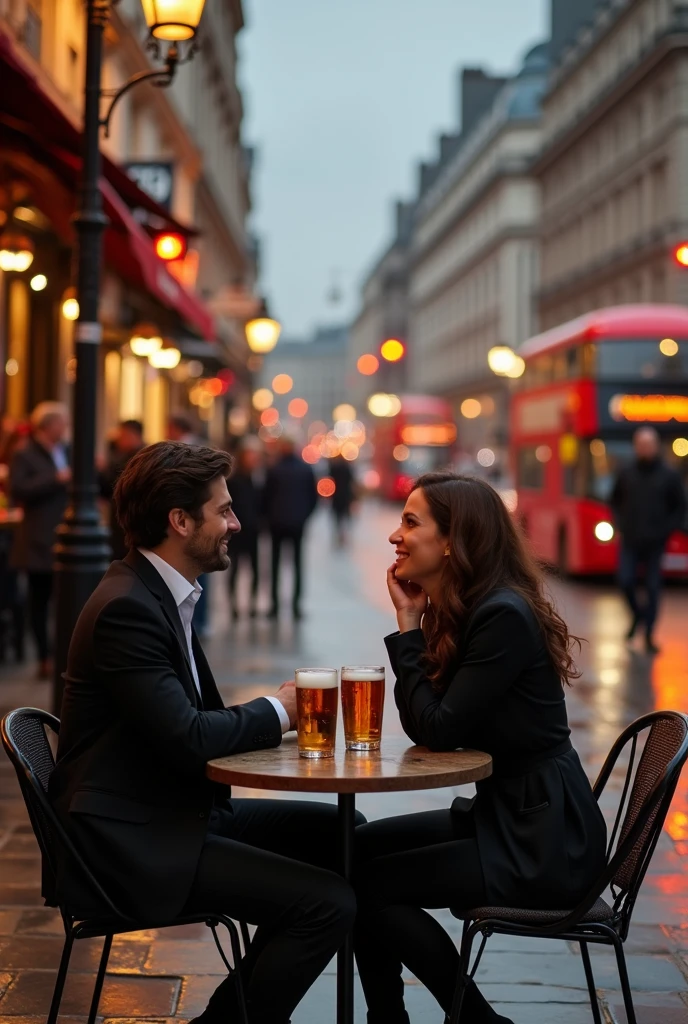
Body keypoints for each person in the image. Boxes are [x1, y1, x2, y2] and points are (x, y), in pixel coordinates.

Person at [49, 441, 358, 1024]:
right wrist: (281, 711)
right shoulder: (127, 608)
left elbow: (180, 730)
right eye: (224, 511)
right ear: (180, 521)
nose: (237, 524)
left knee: (344, 833)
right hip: (131, 842)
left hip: (170, 813)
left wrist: (268, 716)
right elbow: (189, 738)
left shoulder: (159, 592)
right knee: (327, 902)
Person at [354, 472, 607, 1024]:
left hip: (543, 839)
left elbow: (437, 729)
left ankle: (475, 1020)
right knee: (359, 849)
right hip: (510, 815)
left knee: (368, 885)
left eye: (411, 521)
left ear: (452, 540)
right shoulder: (478, 607)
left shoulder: (501, 615)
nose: (396, 536)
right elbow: (433, 726)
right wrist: (414, 624)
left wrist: (405, 629)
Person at [610, 426, 687, 654]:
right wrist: (620, 524)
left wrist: (667, 530)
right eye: (641, 445)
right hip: (630, 539)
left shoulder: (669, 475)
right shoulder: (626, 472)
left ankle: (649, 634)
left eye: (649, 444)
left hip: (655, 543)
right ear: (636, 447)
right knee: (625, 581)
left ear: (656, 446)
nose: (645, 449)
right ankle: (638, 617)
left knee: (653, 588)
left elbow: (680, 507)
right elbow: (614, 500)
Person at [9, 402, 71, 679]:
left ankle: (62, 653)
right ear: (48, 425)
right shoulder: (24, 452)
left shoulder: (65, 450)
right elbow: (18, 488)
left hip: (63, 532)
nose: (65, 428)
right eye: (62, 422)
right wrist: (55, 478)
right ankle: (44, 656)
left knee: (66, 598)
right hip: (37, 537)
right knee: (39, 598)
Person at [264, 437, 318, 619]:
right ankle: (296, 606)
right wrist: (304, 517)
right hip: (297, 524)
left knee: (275, 565)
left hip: (277, 524)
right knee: (297, 565)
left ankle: (274, 605)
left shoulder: (273, 469)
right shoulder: (305, 469)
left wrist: (268, 517)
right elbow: (314, 499)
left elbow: (266, 496)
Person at [98, 419, 145, 559]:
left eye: (122, 435)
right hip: (121, 523)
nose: (119, 439)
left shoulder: (142, 458)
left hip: (133, 522)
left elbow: (116, 484)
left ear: (133, 435)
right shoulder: (121, 455)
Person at [227, 438, 263, 620]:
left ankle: (253, 603)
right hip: (237, 531)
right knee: (234, 568)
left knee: (255, 569)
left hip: (253, 530)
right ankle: (233, 604)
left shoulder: (258, 478)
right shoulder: (234, 480)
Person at [329, 454, 356, 547]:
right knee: (346, 516)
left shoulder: (333, 468)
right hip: (346, 496)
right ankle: (344, 534)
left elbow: (330, 480)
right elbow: (352, 482)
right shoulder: (347, 468)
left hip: (336, 497)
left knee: (337, 517)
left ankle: (338, 534)